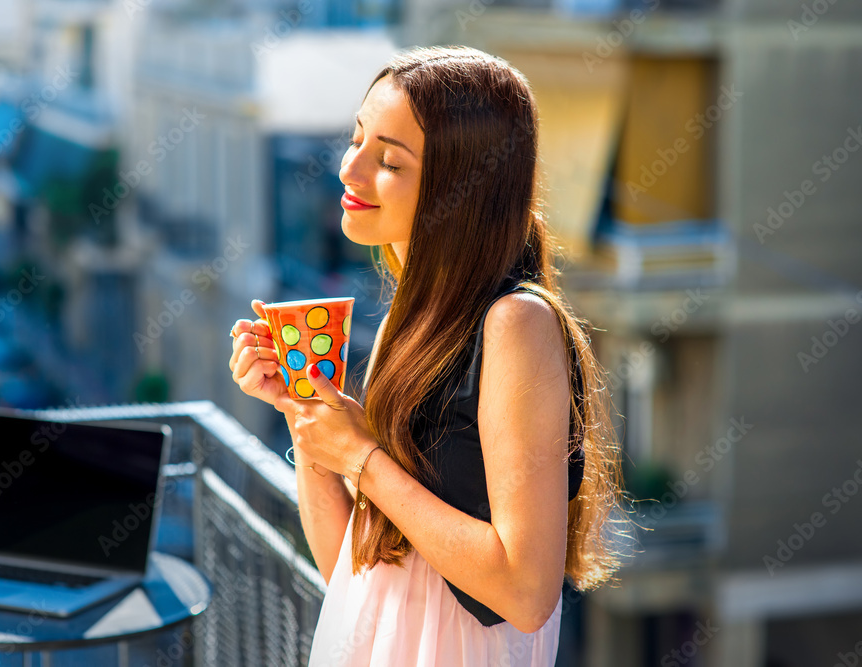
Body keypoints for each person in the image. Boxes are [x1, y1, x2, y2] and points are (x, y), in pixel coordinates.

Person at [229, 45, 627, 666]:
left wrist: (360, 457)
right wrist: (305, 420)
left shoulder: (516, 324)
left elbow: (526, 592)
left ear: (461, 188)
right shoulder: (404, 325)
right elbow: (353, 566)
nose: (349, 170)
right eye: (356, 139)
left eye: (388, 159)